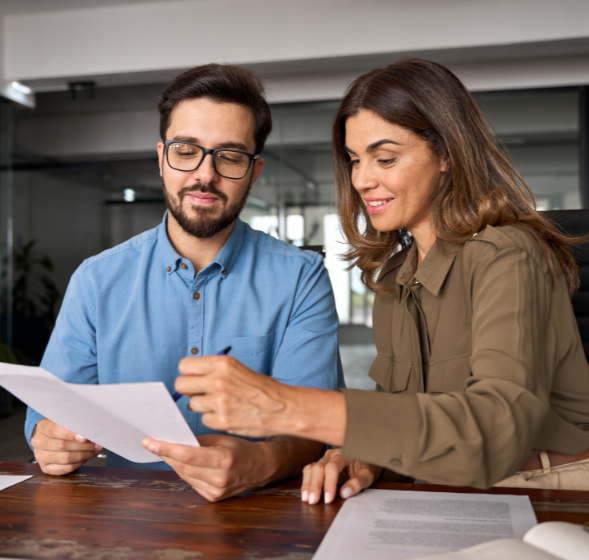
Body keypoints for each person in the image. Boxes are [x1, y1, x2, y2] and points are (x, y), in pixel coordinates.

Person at [167, 58, 589, 504]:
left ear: (446, 153)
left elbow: (493, 433)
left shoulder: (508, 253)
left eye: (385, 158)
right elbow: (410, 417)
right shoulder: (395, 277)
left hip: (547, 493)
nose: (363, 180)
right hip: (445, 490)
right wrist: (366, 455)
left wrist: (287, 406)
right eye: (354, 160)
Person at [25, 63, 344, 502]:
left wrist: (259, 463)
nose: (205, 175)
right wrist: (48, 438)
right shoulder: (97, 280)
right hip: (130, 520)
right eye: (186, 150)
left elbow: (316, 428)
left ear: (254, 172)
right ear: (162, 158)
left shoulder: (300, 278)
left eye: (229, 156)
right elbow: (47, 412)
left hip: (262, 519)